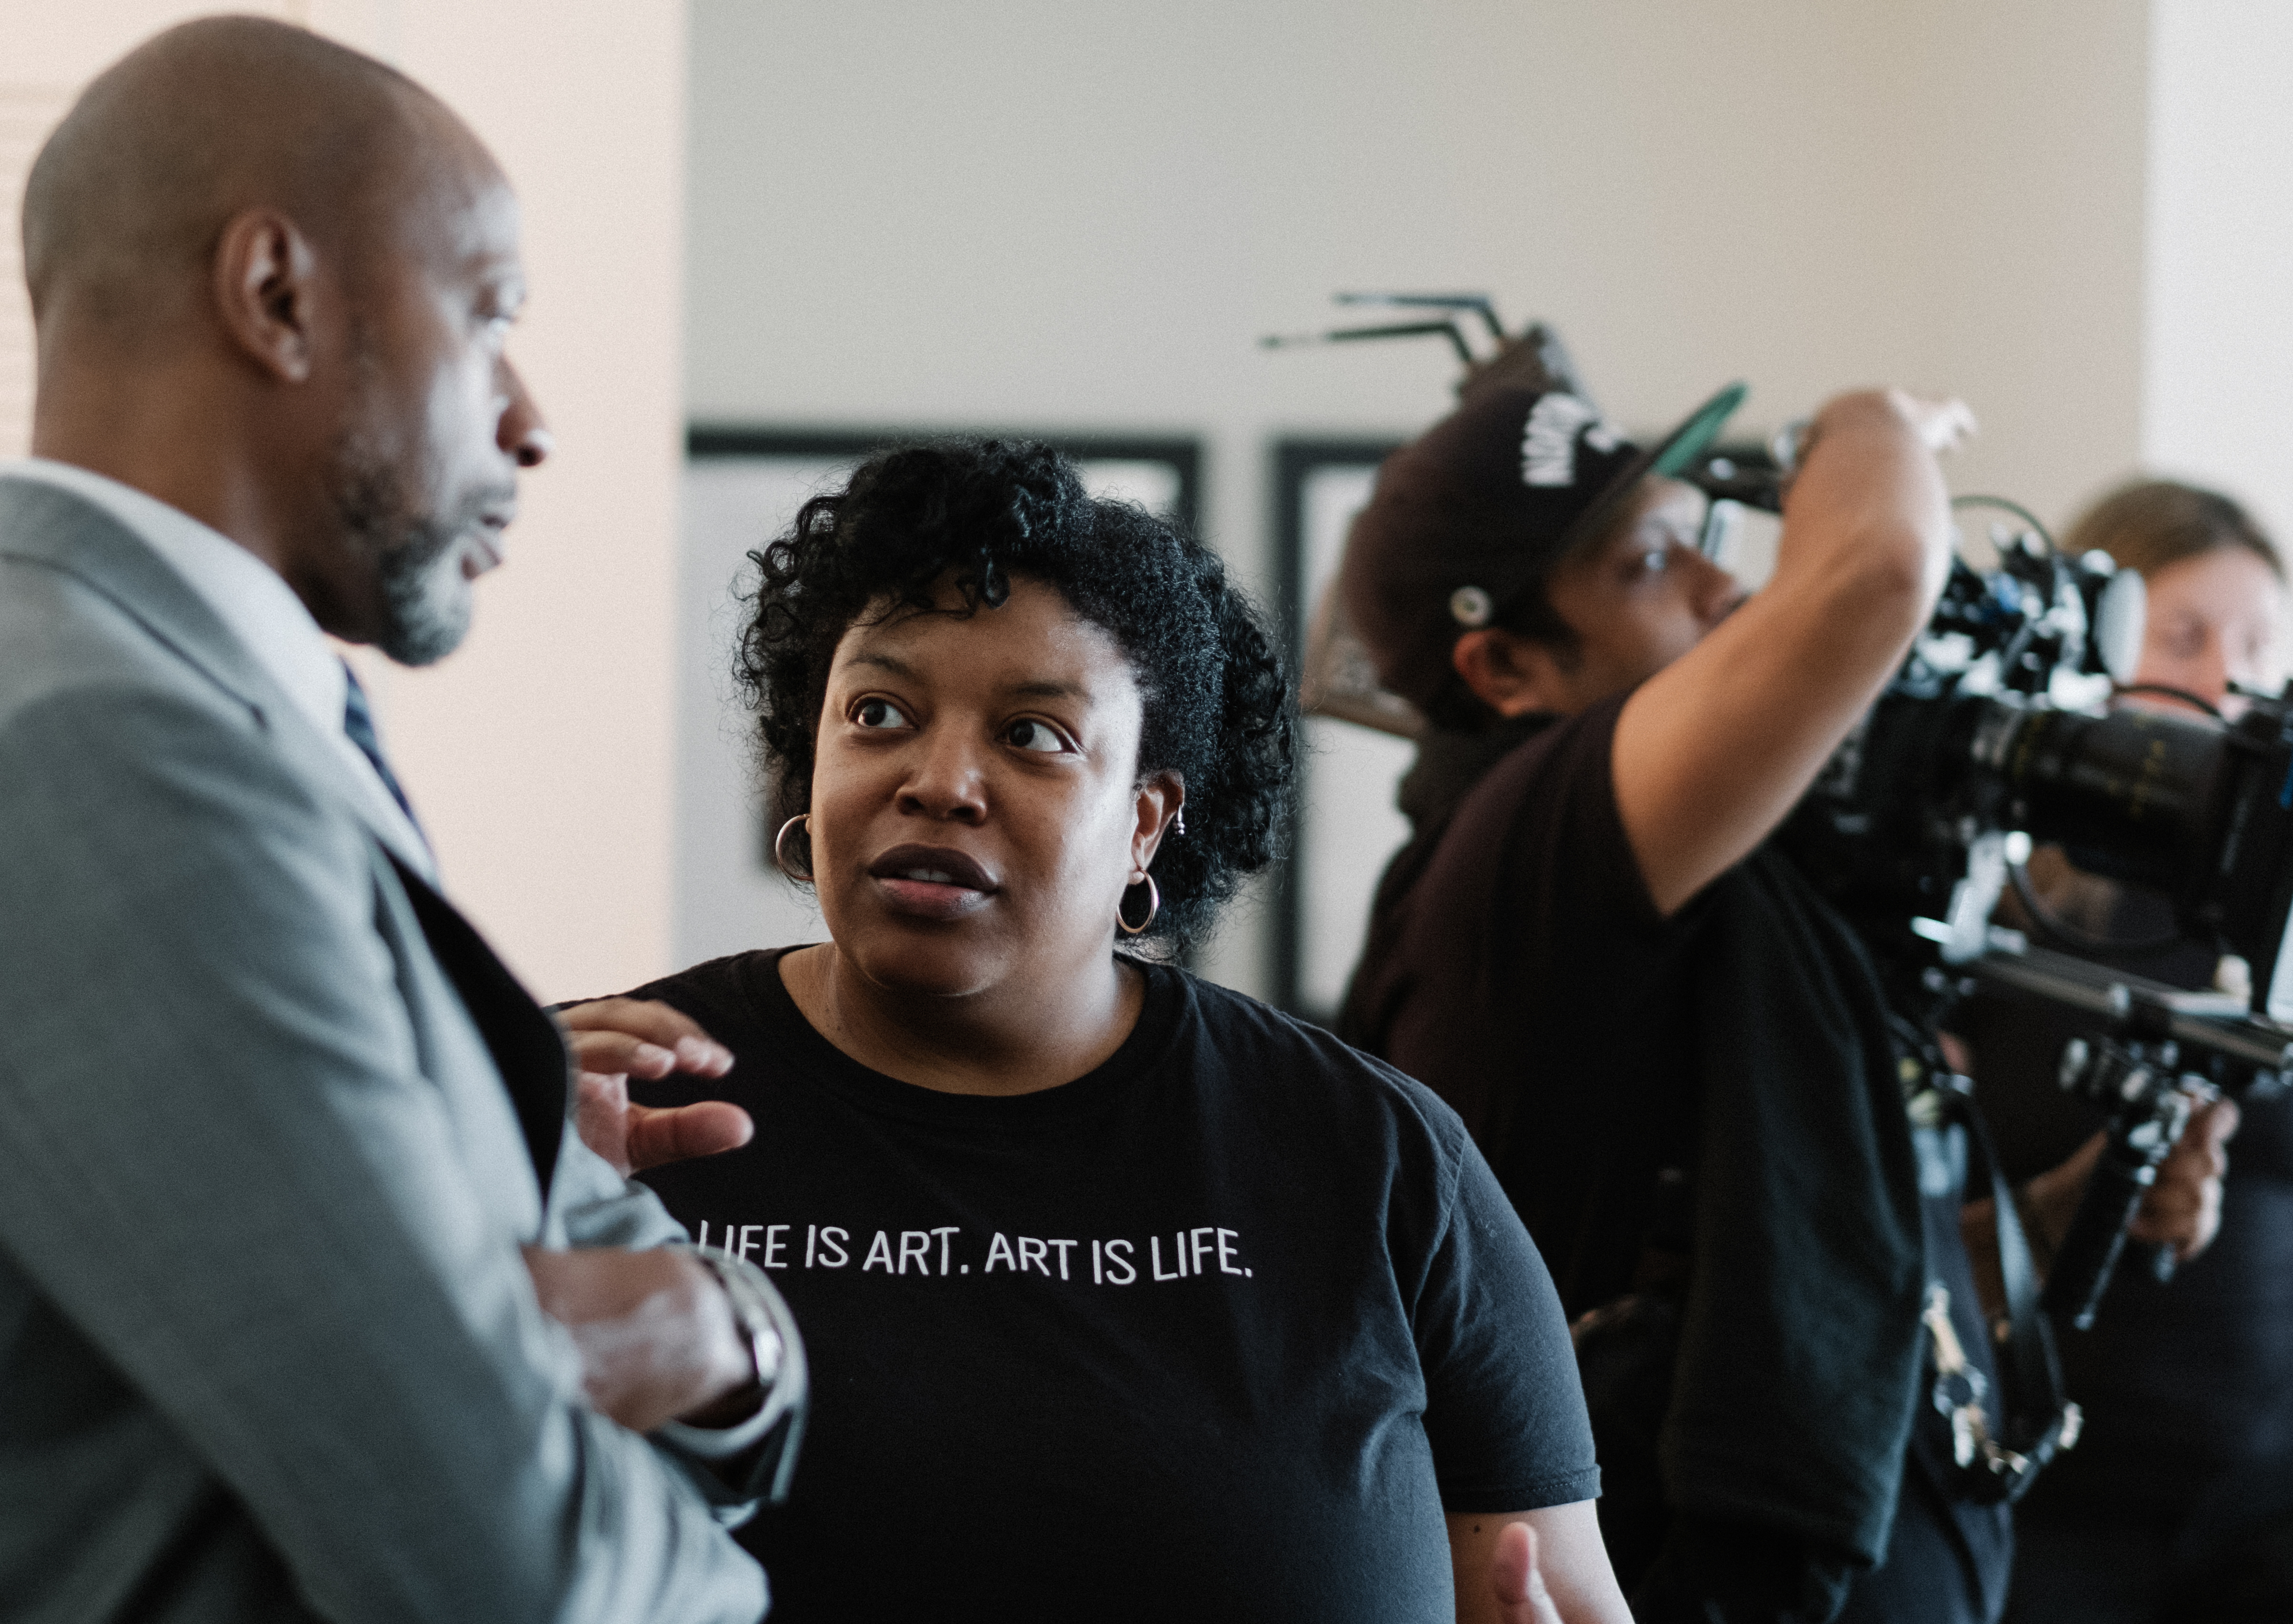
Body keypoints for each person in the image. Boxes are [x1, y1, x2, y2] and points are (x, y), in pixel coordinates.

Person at [0, 20, 802, 1624]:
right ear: (277, 296)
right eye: (488, 315)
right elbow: (511, 1570)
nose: (527, 418)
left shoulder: (220, 719)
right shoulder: (94, 759)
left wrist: (722, 1332)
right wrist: (669, 1332)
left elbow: (624, 1355)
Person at [556, 438, 1635, 1623]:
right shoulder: (592, 1104)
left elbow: (1561, 1598)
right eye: (878, 712)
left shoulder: (1370, 1156)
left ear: (1145, 822)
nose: (940, 778)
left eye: (1034, 734)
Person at [1333, 383, 2233, 1623]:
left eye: (1704, 540)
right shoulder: (1528, 842)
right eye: (1650, 564)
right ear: (1504, 668)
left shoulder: (1720, 891)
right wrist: (1868, 424)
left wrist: (2044, 1215)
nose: (1721, 592)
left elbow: (1776, 1267)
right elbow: (1877, 569)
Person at [1949, 480, 2293, 1623]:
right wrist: (2070, 1195)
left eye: (2256, 643)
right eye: (2184, 637)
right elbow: (1903, 1254)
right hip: (2054, 1517)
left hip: (2278, 1518)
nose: (2225, 681)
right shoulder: (1988, 924)